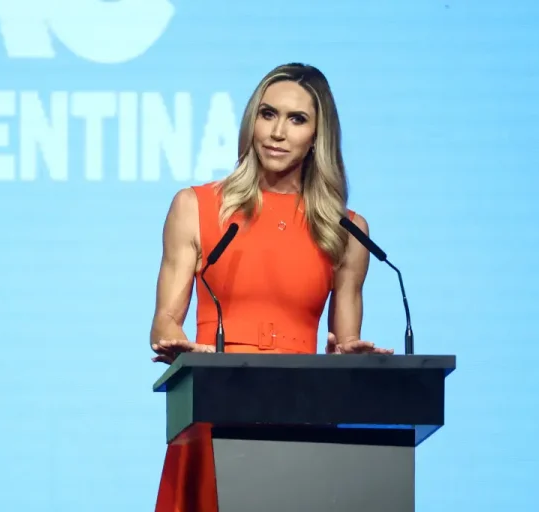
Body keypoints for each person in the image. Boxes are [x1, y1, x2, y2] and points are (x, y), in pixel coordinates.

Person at [149, 62, 393, 512]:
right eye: (268, 114)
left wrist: (352, 358)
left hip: (302, 417)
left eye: (297, 119)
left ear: (317, 136)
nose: (278, 132)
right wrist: (182, 348)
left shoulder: (346, 231)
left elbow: (343, 345)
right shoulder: (196, 207)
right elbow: (163, 321)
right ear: (251, 122)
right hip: (213, 410)